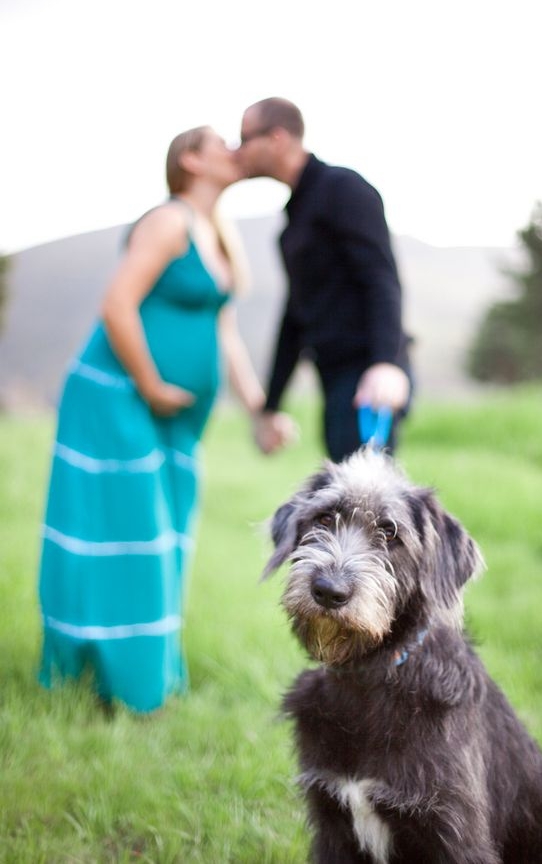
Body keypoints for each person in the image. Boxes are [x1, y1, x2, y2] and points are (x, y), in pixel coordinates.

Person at [38, 126, 293, 714]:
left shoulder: (218, 236)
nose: (236, 150)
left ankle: (136, 677)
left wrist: (260, 407)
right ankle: (121, 690)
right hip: (117, 396)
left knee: (169, 537)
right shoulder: (168, 220)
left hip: (177, 421)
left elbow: (224, 334)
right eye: (221, 143)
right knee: (132, 537)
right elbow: (117, 303)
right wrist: (151, 384)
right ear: (191, 160)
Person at [237, 97, 413, 463]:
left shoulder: (342, 189)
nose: (238, 152)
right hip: (334, 380)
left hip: (369, 379)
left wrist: (385, 363)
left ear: (278, 137)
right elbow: (295, 318)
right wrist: (270, 407)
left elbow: (381, 278)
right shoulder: (293, 222)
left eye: (245, 139)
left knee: (365, 501)